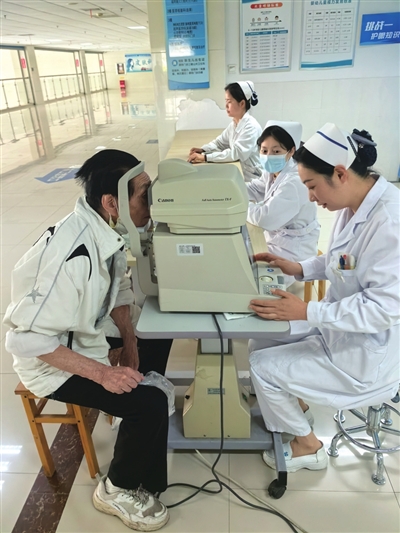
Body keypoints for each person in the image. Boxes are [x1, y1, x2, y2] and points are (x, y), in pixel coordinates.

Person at [3, 149, 173, 531]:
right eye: (144, 195)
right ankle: (115, 488)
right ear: (112, 202)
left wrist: (130, 343)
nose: (151, 203)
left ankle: (138, 438)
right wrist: (103, 374)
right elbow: (25, 341)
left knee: (157, 336)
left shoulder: (106, 227)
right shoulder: (73, 255)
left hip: (83, 332)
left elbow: (120, 288)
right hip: (51, 363)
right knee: (148, 404)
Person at [247, 123, 400, 473]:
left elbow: (383, 309)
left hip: (365, 354)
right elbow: (342, 261)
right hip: (338, 327)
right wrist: (298, 267)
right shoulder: (355, 205)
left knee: (260, 365)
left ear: (340, 174)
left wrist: (307, 311)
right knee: (260, 341)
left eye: (312, 186)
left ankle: (308, 446)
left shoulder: (390, 223)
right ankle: (293, 403)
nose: (311, 197)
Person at [246, 120, 320, 286]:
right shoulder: (274, 170)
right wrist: (229, 190)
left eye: (276, 151)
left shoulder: (294, 181)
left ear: (291, 151)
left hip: (293, 249)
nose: (268, 156)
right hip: (278, 238)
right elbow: (255, 188)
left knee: (249, 277)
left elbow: (265, 219)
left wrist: (239, 206)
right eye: (264, 150)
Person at [187, 81, 263, 182]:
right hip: (241, 173)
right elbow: (219, 143)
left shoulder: (251, 127)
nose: (226, 105)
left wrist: (205, 157)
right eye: (226, 101)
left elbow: (235, 153)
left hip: (252, 178)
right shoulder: (234, 124)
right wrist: (203, 149)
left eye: (229, 101)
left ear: (242, 103)